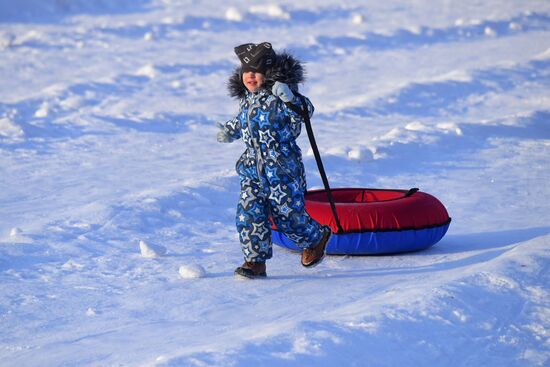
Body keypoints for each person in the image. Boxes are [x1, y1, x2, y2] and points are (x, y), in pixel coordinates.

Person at [217, 42, 332, 278]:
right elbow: (242, 121)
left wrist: (290, 98)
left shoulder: (282, 96)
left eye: (256, 71)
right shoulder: (247, 100)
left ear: (268, 73)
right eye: (246, 71)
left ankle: (316, 237)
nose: (250, 76)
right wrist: (230, 130)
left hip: (281, 169)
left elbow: (304, 112)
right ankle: (255, 262)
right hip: (252, 169)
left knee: (287, 215)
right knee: (249, 214)